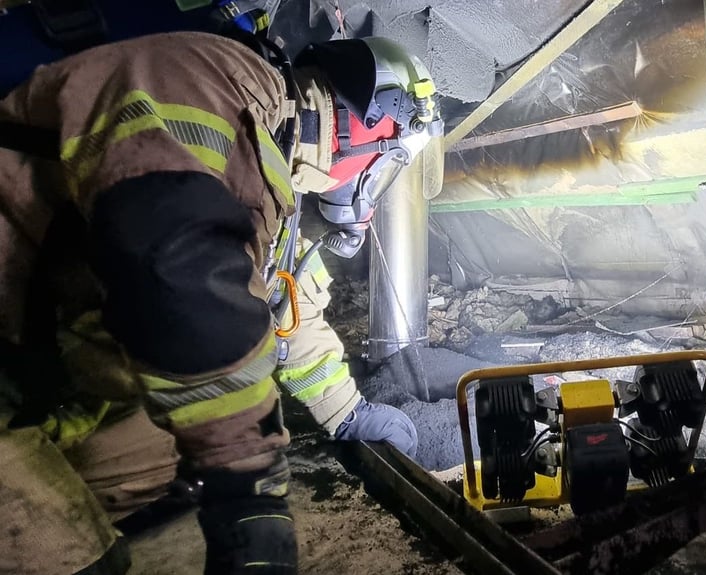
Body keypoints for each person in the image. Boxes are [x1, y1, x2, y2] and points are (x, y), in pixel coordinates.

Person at [0, 27, 443, 575]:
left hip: (44, 366)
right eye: (391, 158)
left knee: (174, 463)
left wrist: (347, 412)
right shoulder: (214, 83)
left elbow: (288, 310)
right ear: (371, 122)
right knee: (86, 561)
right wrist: (248, 485)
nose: (379, 177)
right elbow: (182, 272)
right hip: (14, 364)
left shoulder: (269, 150)